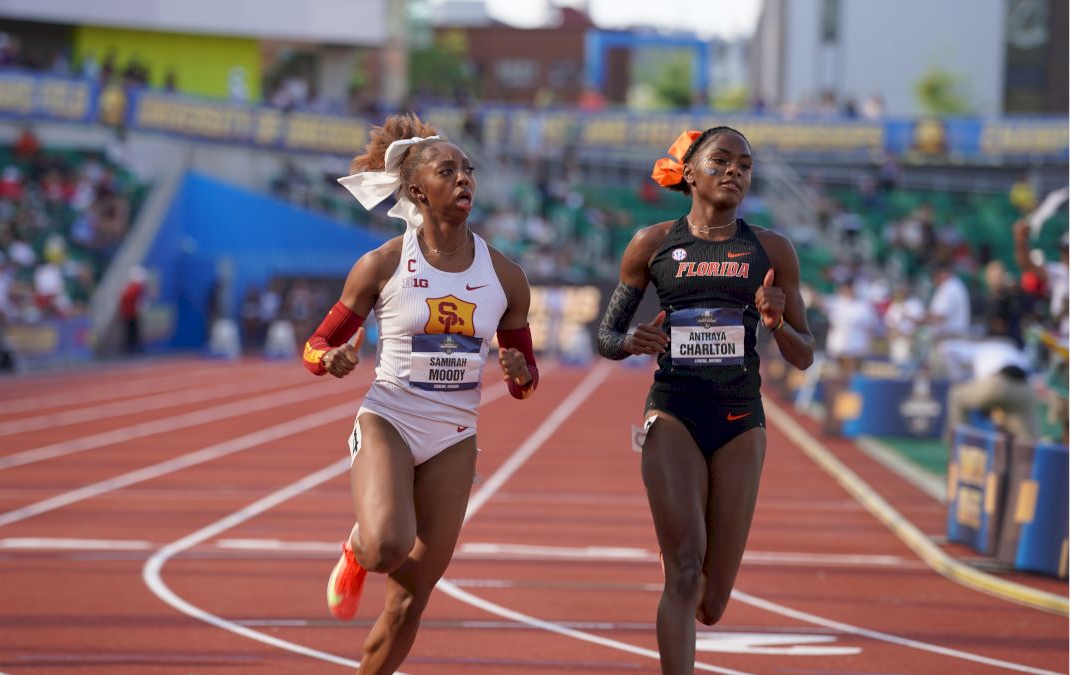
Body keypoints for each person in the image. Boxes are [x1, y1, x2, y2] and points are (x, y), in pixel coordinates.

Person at [302, 112, 539, 674]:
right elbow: (316, 344)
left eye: (468, 170)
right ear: (416, 190)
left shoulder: (505, 278)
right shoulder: (382, 265)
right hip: (390, 415)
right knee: (386, 546)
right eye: (448, 169)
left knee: (411, 596)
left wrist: (518, 372)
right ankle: (357, 547)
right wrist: (329, 359)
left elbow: (524, 378)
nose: (465, 180)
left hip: (455, 433)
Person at [595, 127, 814, 674]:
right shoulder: (652, 244)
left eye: (745, 164)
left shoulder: (772, 249)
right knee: (684, 570)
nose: (735, 171)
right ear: (690, 172)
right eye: (722, 161)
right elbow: (607, 335)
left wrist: (776, 322)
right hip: (673, 411)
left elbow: (805, 354)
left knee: (712, 605)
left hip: (741, 421)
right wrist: (630, 343)